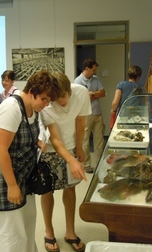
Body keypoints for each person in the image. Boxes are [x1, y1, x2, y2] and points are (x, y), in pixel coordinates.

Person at [0, 70, 60, 252]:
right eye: (45, 99)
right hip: (7, 177)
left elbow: (21, 135)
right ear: (32, 91)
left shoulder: (32, 107)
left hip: (24, 174)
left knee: (27, 222)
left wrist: (37, 142)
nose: (47, 104)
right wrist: (12, 185)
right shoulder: (11, 108)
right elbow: (1, 149)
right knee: (12, 230)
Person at [40, 72, 89, 252]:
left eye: (63, 96)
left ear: (69, 89)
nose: (60, 101)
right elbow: (54, 139)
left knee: (70, 188)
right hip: (49, 148)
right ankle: (49, 232)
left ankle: (70, 231)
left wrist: (79, 147)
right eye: (55, 99)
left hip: (70, 147)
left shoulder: (81, 93)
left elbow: (81, 120)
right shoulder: (46, 103)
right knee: (47, 190)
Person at [74, 58, 105, 174]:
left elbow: (103, 93)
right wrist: (90, 95)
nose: (94, 72)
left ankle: (99, 163)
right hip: (85, 115)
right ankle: (86, 164)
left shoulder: (96, 79)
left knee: (99, 140)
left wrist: (92, 94)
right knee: (85, 140)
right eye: (93, 70)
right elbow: (81, 99)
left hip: (98, 113)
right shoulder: (77, 82)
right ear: (87, 69)